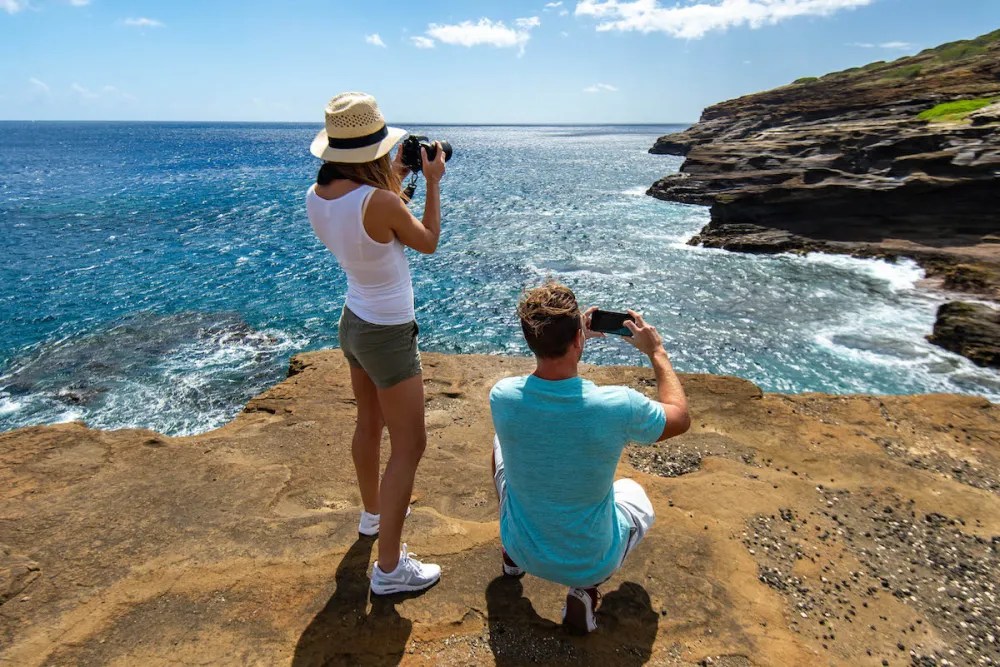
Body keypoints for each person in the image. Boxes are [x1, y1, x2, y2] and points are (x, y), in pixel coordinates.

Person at [489, 282, 690, 633]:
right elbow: (679, 416)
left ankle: (510, 558)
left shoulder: (502, 396)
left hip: (521, 546)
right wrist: (656, 351)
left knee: (499, 444)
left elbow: (544, 387)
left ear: (529, 340)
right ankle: (584, 590)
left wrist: (572, 335)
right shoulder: (618, 405)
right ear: (578, 340)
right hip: (589, 560)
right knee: (632, 492)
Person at [306, 92, 446, 595]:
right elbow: (425, 240)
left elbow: (375, 220)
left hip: (354, 320)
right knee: (410, 444)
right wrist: (430, 182)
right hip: (387, 331)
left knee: (369, 424)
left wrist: (400, 181)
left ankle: (371, 517)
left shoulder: (317, 197)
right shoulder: (381, 202)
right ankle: (389, 570)